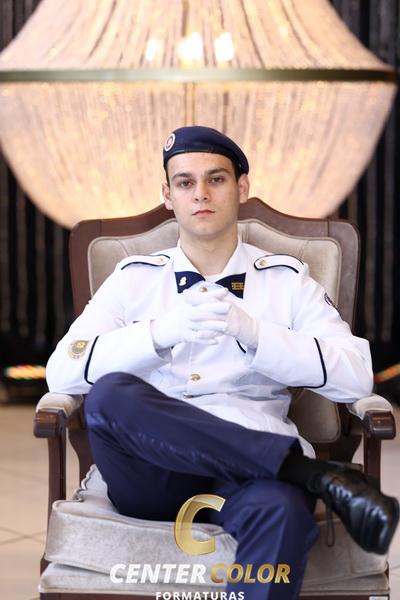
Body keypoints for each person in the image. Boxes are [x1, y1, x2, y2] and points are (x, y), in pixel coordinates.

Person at [46, 126, 399, 600]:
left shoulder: (286, 280)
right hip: (153, 474)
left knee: (282, 511)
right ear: (168, 195)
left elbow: (355, 375)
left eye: (216, 179)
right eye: (185, 182)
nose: (201, 194)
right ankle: (307, 473)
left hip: (250, 480)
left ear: (242, 187)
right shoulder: (133, 278)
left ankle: (293, 475)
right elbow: (62, 370)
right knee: (109, 396)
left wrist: (256, 334)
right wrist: (160, 332)